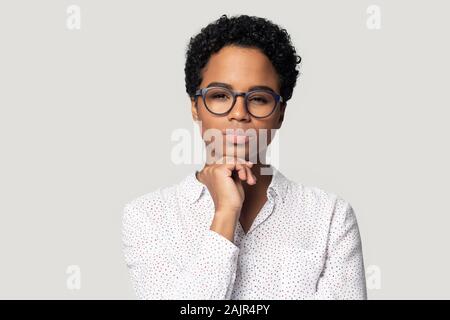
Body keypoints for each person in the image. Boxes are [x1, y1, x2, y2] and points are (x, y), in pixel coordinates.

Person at [122, 14, 367, 300]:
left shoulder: (330, 217)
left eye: (259, 99)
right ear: (195, 107)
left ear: (280, 114)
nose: (239, 113)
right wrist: (225, 214)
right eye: (220, 96)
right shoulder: (148, 217)